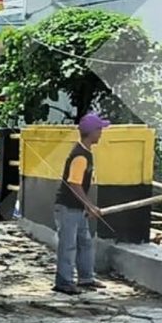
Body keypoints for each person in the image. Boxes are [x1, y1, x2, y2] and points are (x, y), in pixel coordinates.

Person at [53, 113, 109, 295]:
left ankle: (86, 278)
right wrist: (90, 205)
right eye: (99, 130)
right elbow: (74, 183)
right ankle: (64, 281)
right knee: (68, 245)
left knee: (84, 242)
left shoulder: (85, 152)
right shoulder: (80, 156)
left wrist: (86, 206)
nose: (101, 133)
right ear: (91, 132)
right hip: (68, 207)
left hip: (76, 207)